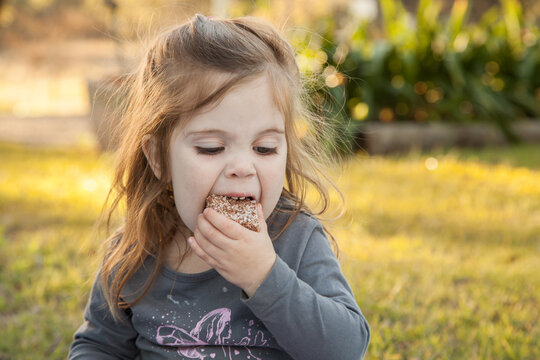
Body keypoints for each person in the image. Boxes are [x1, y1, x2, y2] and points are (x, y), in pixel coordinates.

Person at [69, 13, 370, 360]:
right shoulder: (136, 251)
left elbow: (347, 348)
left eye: (265, 148)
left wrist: (264, 276)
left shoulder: (296, 239)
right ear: (159, 158)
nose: (242, 167)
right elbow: (98, 347)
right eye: (211, 148)